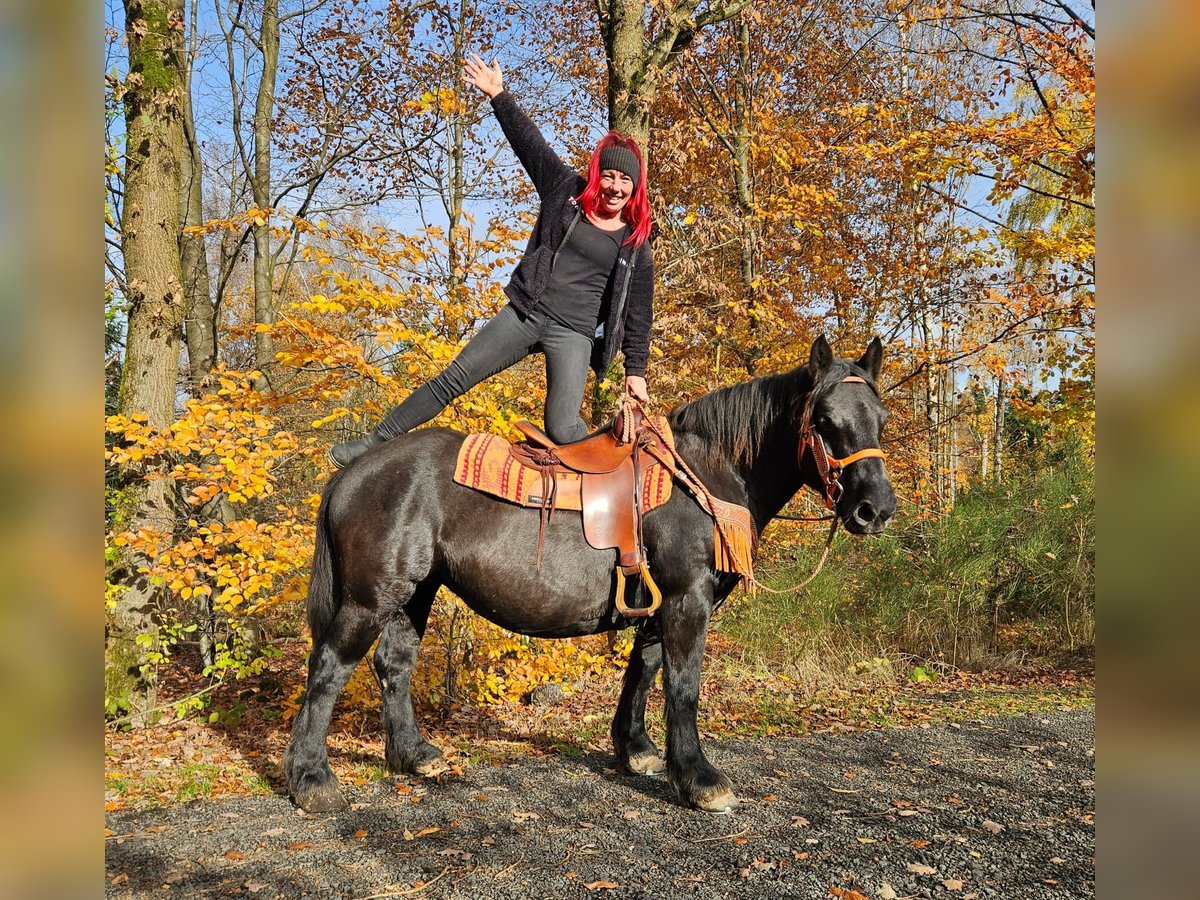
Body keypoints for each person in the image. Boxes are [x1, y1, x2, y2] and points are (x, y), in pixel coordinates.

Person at [329, 54, 655, 468]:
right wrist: (498, 95)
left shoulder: (636, 243)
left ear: (635, 186)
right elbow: (530, 145)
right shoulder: (564, 191)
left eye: (625, 180)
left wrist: (636, 371)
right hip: (527, 313)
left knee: (562, 428)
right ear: (596, 175)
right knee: (455, 378)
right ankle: (373, 443)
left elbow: (639, 314)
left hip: (573, 334)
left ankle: (627, 471)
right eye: (609, 176)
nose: (615, 186)